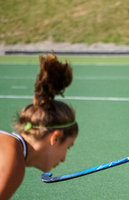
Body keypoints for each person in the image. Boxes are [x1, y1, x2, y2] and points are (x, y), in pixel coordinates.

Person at [0, 52, 78, 200]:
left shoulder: (10, 148)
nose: (63, 159)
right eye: (67, 147)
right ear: (55, 137)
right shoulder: (12, 160)